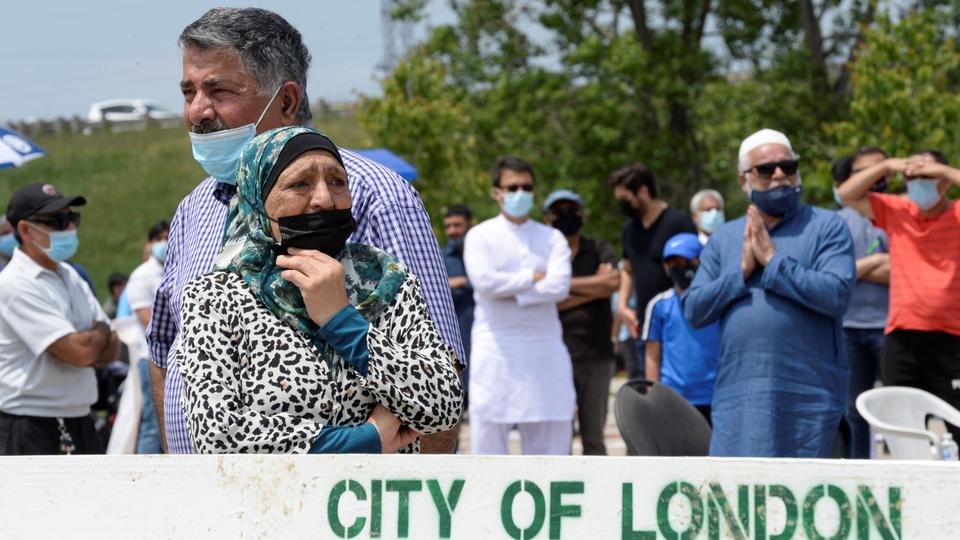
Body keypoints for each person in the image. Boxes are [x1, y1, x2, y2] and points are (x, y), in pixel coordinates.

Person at [147, 7, 463, 454]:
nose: (198, 111)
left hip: (356, 511)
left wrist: (410, 508)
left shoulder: (377, 198)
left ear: (287, 101)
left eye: (218, 90)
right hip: (212, 506)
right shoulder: (196, 207)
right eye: (189, 91)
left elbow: (440, 381)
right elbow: (164, 347)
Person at [177, 126, 462, 453]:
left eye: (337, 181)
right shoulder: (215, 297)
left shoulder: (386, 282)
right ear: (258, 198)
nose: (325, 199)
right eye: (300, 184)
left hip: (374, 503)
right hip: (270, 502)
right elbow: (218, 435)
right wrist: (362, 440)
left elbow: (443, 406)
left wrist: (341, 321)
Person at [683, 128, 855, 458]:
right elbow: (694, 309)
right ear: (743, 181)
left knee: (808, 501)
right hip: (740, 396)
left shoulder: (827, 227)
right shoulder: (725, 238)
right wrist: (741, 272)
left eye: (788, 167)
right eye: (766, 169)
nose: (779, 175)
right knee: (737, 500)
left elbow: (837, 294)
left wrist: (774, 264)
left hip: (808, 396)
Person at [838, 149, 960, 442]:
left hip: (951, 340)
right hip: (901, 338)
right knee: (901, 433)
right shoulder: (897, 211)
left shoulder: (956, 213)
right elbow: (846, 194)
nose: (918, 183)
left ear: (943, 182)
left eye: (926, 177)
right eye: (912, 177)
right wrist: (888, 165)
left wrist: (942, 170)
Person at [464, 157, 575, 455]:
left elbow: (560, 286)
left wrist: (513, 291)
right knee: (488, 447)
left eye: (527, 187)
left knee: (552, 453)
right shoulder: (480, 236)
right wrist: (531, 277)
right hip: (496, 351)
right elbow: (484, 283)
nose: (520, 193)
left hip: (546, 353)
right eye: (512, 187)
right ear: (496, 192)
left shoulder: (552, 238)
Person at [0, 183, 119, 454]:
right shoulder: (15, 283)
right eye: (57, 221)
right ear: (26, 230)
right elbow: (81, 352)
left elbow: (112, 349)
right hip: (31, 423)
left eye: (72, 218)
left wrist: (91, 342)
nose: (69, 228)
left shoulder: (70, 275)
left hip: (80, 417)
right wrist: (96, 337)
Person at [543, 189, 619, 455]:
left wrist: (561, 287)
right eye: (558, 210)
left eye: (572, 209)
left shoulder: (599, 248)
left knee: (594, 437)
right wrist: (592, 289)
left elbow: (612, 283)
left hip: (596, 354)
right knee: (558, 439)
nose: (566, 216)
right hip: (554, 354)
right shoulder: (543, 254)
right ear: (546, 218)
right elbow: (545, 298)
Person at [609, 163, 696, 376]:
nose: (622, 205)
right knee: (646, 390)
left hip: (677, 322)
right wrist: (622, 307)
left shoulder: (678, 222)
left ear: (643, 191)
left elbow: (694, 268)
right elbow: (627, 269)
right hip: (644, 323)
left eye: (625, 199)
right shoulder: (629, 229)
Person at [832, 147, 890, 459]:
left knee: (895, 410)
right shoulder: (836, 221)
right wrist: (879, 260)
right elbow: (835, 272)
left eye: (884, 171)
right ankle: (860, 473)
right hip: (848, 328)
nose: (878, 178)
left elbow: (906, 270)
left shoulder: (898, 213)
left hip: (890, 327)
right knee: (853, 411)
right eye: (869, 171)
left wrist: (859, 267)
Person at [642, 233, 718, 425]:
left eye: (687, 260)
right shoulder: (659, 305)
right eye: (673, 263)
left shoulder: (717, 301)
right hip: (674, 398)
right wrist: (653, 395)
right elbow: (652, 356)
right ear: (666, 268)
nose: (681, 267)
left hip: (716, 397)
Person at [125, 220, 169, 454]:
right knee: (152, 423)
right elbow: (149, 321)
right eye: (159, 238)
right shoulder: (141, 275)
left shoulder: (176, 266)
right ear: (150, 243)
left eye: (168, 237)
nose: (164, 242)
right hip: (150, 357)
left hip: (175, 357)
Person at [443, 204, 474, 412]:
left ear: (470, 225)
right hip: (456, 331)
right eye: (448, 226)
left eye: (457, 225)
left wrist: (462, 281)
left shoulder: (481, 252)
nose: (453, 231)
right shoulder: (440, 256)